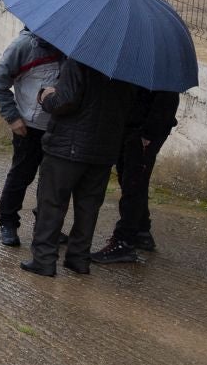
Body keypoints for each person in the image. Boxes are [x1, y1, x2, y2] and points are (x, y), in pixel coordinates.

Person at [20, 57, 133, 278]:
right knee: (88, 206)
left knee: (52, 202)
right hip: (103, 151)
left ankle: (44, 259)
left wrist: (46, 95)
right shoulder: (127, 69)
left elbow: (64, 101)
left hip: (68, 146)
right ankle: (78, 259)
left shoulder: (80, 61)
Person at [0, 28, 64, 248]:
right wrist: (12, 117)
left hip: (60, 126)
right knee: (21, 176)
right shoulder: (23, 46)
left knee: (52, 181)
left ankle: (46, 227)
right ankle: (8, 224)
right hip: (28, 127)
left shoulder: (67, 46)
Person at [92, 90, 181, 263]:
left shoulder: (161, 68)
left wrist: (148, 133)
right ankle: (141, 229)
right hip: (131, 126)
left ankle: (124, 241)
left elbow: (167, 100)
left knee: (134, 182)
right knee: (129, 177)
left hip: (145, 131)